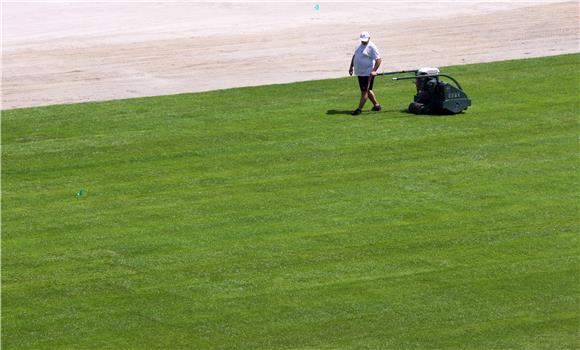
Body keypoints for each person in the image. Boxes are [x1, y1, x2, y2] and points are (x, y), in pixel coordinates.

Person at [349, 31, 382, 116]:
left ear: (369, 38)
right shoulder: (358, 45)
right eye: (362, 40)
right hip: (360, 72)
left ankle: (359, 109)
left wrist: (374, 70)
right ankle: (377, 106)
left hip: (367, 73)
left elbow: (378, 60)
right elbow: (354, 56)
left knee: (364, 91)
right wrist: (351, 66)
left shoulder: (372, 47)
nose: (363, 41)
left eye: (365, 40)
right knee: (367, 90)